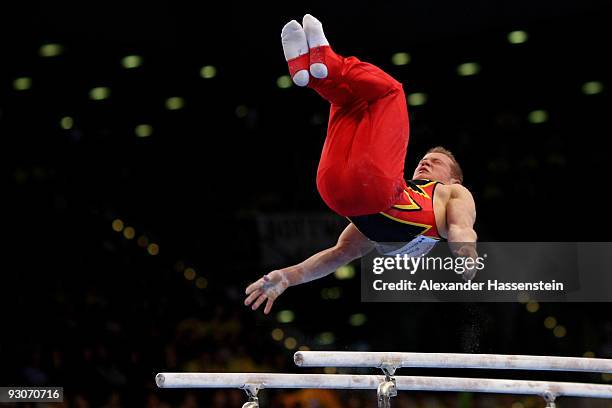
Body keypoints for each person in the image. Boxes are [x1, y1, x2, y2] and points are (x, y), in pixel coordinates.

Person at [245, 14, 477, 314]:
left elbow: (461, 226)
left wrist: (466, 253)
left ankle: (328, 60)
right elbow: (339, 253)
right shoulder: (388, 210)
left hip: (362, 190)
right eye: (423, 160)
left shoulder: (453, 193)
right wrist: (287, 277)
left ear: (454, 180)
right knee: (348, 105)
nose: (424, 164)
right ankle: (312, 72)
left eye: (435, 162)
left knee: (390, 92)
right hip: (341, 193)